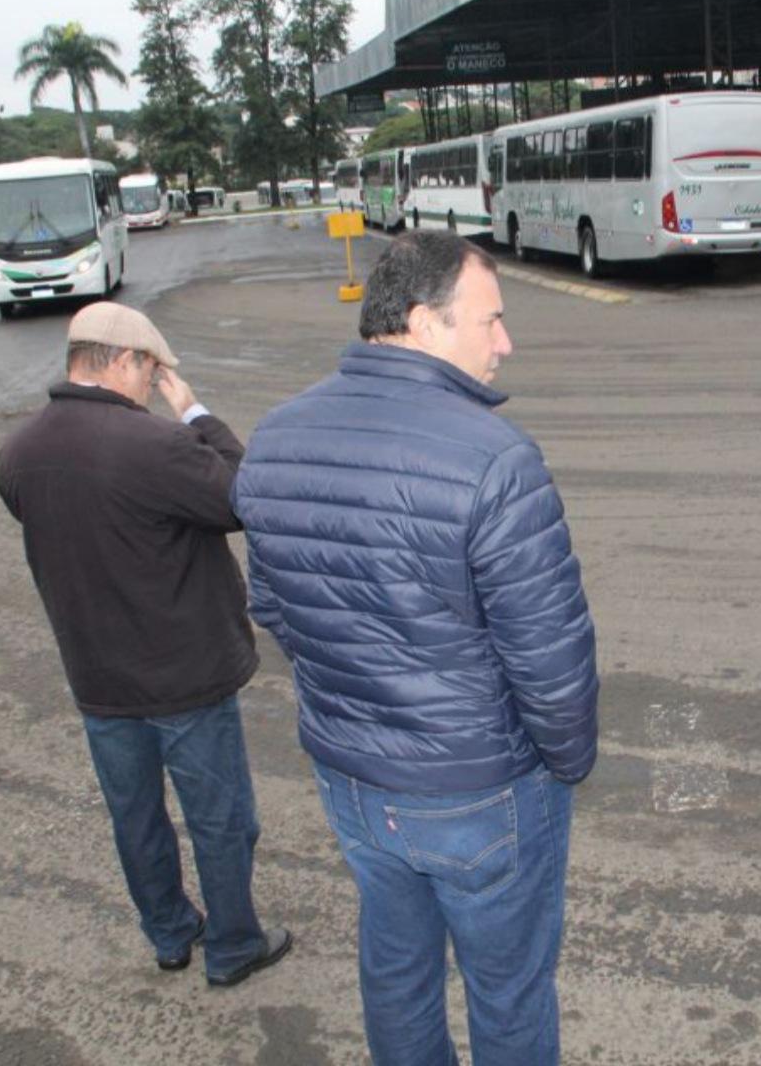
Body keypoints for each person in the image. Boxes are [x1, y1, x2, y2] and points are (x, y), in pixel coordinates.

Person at [233, 232, 598, 1065]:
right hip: (479, 789)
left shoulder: (278, 435)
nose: (505, 343)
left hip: (353, 780)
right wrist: (565, 763)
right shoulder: (494, 459)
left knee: (396, 974)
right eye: (491, 321)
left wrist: (351, 693)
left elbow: (272, 604)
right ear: (425, 322)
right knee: (507, 993)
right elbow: (550, 659)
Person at [0, 301, 291, 988]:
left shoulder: (18, 452)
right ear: (122, 360)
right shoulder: (155, 445)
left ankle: (167, 933)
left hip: (98, 679)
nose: (154, 383)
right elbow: (248, 497)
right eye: (152, 369)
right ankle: (233, 945)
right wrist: (194, 414)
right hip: (186, 674)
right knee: (220, 820)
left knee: (135, 818)